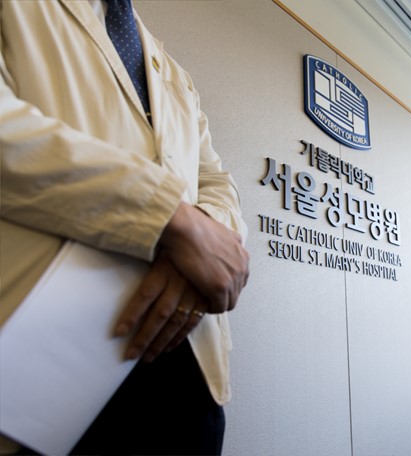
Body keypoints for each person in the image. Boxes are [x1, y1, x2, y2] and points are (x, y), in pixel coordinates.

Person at [0, 0, 250, 454]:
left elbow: (216, 180)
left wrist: (206, 231)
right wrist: (169, 218)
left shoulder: (173, 72)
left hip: (184, 373)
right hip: (43, 372)